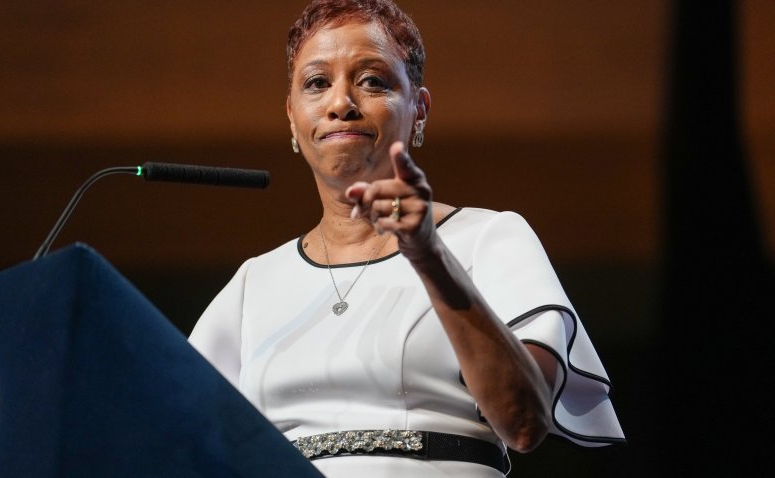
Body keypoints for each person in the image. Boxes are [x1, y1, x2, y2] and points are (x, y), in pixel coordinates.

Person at [189, 0, 624, 476]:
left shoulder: (486, 239)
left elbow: (523, 423)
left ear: (419, 108)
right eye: (317, 83)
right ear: (292, 117)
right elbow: (175, 432)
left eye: (373, 80)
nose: (340, 104)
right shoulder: (255, 283)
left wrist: (429, 255)